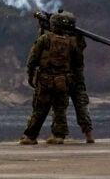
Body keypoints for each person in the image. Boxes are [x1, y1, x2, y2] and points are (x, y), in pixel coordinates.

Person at [21, 12, 83, 144]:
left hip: (45, 80)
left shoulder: (45, 39)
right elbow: (78, 62)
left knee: (39, 109)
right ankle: (59, 136)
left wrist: (30, 74)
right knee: (60, 109)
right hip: (63, 80)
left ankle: (31, 137)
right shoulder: (71, 42)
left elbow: (32, 59)